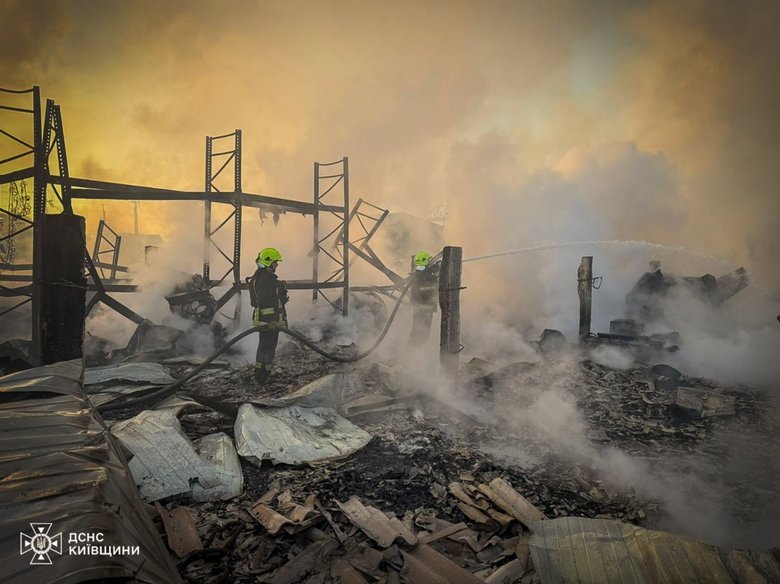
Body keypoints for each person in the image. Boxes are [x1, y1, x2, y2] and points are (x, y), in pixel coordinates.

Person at [249, 247, 289, 383]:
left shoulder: (261, 277)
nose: (277, 265)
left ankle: (262, 374)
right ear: (268, 262)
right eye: (275, 262)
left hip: (268, 320)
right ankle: (262, 377)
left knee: (265, 347)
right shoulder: (265, 280)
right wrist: (272, 322)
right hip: (269, 321)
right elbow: (266, 302)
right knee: (267, 348)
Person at [409, 250, 439, 345]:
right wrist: (437, 271)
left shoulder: (418, 275)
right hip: (425, 309)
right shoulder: (425, 276)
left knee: (418, 331)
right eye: (430, 261)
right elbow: (438, 286)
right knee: (422, 333)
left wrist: (432, 270)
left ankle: (412, 353)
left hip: (421, 308)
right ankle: (413, 354)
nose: (432, 263)